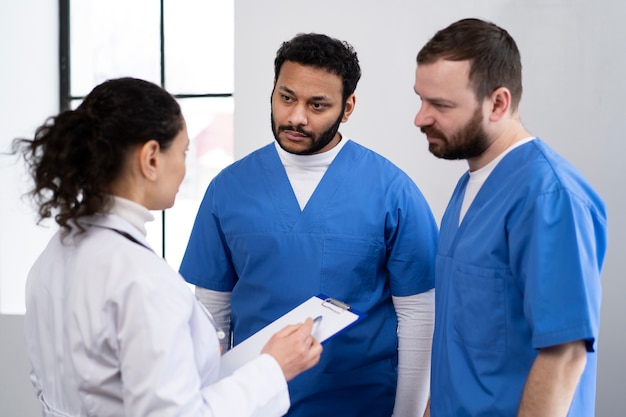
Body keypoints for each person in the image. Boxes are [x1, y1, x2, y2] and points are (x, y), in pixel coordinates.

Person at [14, 77, 322, 417]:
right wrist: (273, 368)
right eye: (183, 150)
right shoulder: (142, 280)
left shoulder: (55, 253)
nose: (184, 166)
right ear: (150, 158)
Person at [179, 33, 438, 417]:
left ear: (347, 107)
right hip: (254, 403)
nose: (297, 117)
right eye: (287, 98)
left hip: (362, 404)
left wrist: (409, 414)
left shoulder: (392, 192)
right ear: (273, 90)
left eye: (317, 105)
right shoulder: (228, 189)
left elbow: (418, 318)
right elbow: (212, 315)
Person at [413, 18, 608, 417]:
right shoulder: (472, 185)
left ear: (498, 103)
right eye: (421, 99)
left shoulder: (549, 198)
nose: (420, 118)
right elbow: (461, 336)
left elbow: (564, 355)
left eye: (441, 105)